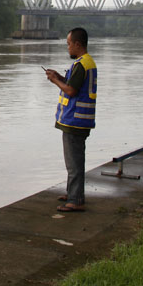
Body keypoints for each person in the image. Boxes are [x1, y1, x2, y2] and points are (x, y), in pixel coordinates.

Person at [44, 27, 97, 212]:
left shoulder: (82, 64)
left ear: (77, 44)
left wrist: (53, 81)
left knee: (73, 162)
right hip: (77, 121)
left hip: (75, 121)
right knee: (75, 161)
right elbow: (71, 83)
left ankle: (75, 200)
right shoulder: (84, 63)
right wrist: (58, 76)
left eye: (68, 44)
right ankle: (73, 193)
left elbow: (71, 90)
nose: (67, 48)